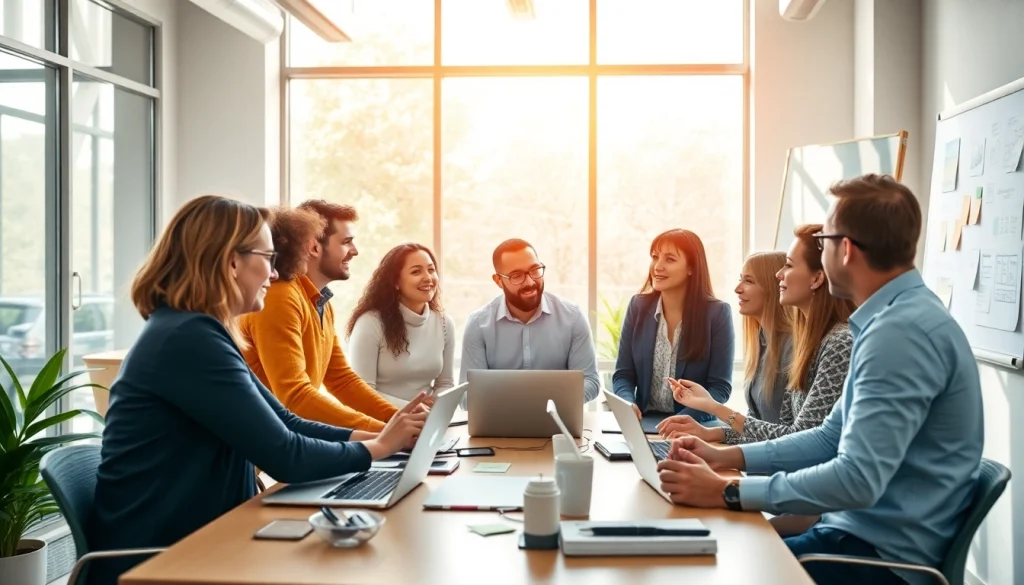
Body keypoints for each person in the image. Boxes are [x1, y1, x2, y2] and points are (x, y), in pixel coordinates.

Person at [655, 174, 984, 585]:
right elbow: (828, 438)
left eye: (824, 239)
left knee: (714, 567)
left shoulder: (900, 334)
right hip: (853, 537)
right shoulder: (893, 321)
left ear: (844, 250)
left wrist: (728, 492)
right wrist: (725, 459)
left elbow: (857, 479)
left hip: (873, 559)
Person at [88, 196, 427, 585]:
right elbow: (285, 456)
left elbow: (286, 421)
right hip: (162, 557)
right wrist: (379, 449)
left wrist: (376, 437)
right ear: (232, 262)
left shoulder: (198, 330)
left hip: (204, 536)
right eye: (268, 257)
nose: (274, 273)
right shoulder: (187, 338)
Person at [663, 230, 854, 444]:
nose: (779, 275)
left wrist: (713, 409)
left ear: (817, 278)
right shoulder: (794, 342)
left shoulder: (836, 343)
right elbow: (775, 429)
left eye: (789, 266)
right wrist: (711, 433)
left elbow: (799, 437)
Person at [239, 201, 399, 432]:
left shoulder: (319, 301)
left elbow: (342, 380)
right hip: (260, 458)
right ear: (314, 247)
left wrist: (398, 419)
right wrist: (384, 432)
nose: (354, 251)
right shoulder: (280, 297)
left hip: (283, 447)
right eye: (346, 242)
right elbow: (295, 396)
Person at [612, 229, 735, 422]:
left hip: (693, 423)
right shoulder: (638, 307)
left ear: (691, 268)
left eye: (670, 259)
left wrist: (683, 419)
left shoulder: (717, 314)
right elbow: (623, 375)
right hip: (644, 420)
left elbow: (720, 388)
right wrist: (628, 403)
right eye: (655, 257)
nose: (658, 266)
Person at [459, 238, 600, 406]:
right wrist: (520, 403)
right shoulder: (478, 325)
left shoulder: (573, 317)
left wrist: (549, 403)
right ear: (498, 281)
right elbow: (467, 395)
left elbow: (590, 381)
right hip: (500, 426)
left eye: (534, 270)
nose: (530, 282)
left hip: (558, 424)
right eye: (516, 276)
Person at [346, 243, 456, 406]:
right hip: (380, 421)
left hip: (427, 420)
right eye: (416, 272)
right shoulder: (370, 323)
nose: (428, 278)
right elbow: (362, 391)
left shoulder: (444, 323)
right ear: (395, 282)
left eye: (431, 270)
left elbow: (445, 384)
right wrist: (412, 409)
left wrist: (435, 405)